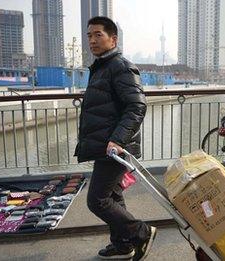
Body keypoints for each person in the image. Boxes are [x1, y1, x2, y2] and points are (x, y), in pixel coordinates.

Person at [74, 16, 156, 260]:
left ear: (113, 38)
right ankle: (122, 244)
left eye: (98, 34)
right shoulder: (101, 67)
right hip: (105, 146)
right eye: (89, 35)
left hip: (115, 148)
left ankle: (141, 233)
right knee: (112, 197)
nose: (92, 40)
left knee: (97, 200)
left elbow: (136, 107)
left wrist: (118, 141)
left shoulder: (120, 66)